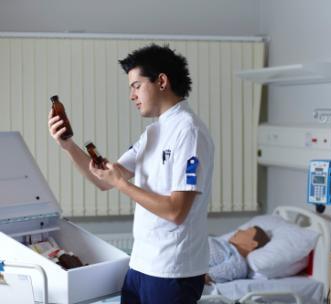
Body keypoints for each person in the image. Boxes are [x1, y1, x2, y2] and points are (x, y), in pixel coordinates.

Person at [48, 43, 214, 304]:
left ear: (161, 81)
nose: (132, 95)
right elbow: (103, 180)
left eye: (136, 86)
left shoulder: (188, 131)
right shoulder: (153, 133)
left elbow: (176, 211)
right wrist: (67, 145)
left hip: (171, 271)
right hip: (141, 265)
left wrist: (121, 184)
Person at [205, 226, 270, 284]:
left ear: (252, 244)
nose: (239, 231)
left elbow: (206, 277)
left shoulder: (238, 262)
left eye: (245, 232)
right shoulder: (224, 244)